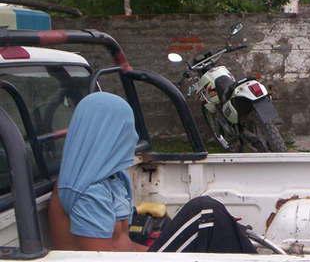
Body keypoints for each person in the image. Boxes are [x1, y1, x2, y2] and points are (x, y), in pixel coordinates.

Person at [48, 92, 256, 253]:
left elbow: (125, 246)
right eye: (125, 129)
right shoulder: (85, 190)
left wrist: (160, 251)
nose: (133, 136)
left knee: (210, 230)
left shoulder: (110, 180)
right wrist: (163, 258)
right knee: (205, 213)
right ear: (105, 134)